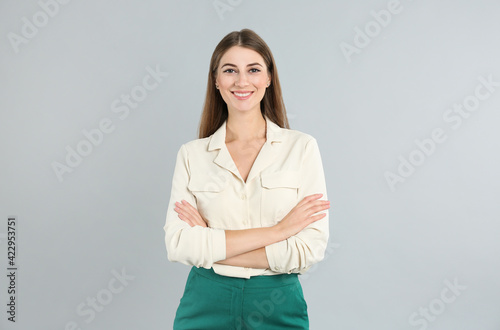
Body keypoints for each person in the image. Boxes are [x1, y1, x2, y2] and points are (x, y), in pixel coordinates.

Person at [163, 28, 330, 329]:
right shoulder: (192, 155)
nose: (242, 81)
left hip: (278, 300)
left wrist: (212, 243)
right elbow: (179, 244)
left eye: (253, 69)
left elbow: (308, 249)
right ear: (216, 80)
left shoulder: (301, 148)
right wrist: (280, 230)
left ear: (268, 77)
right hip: (206, 299)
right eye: (230, 70)